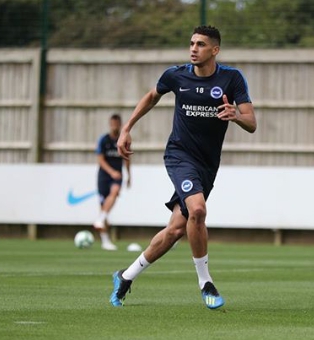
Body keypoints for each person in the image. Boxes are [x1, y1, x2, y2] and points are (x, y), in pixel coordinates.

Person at [110, 25, 256, 309]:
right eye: (191, 43)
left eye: (200, 44)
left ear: (215, 50)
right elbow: (152, 96)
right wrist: (127, 128)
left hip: (207, 165)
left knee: (176, 230)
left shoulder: (232, 79)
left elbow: (252, 123)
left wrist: (236, 115)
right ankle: (206, 283)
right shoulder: (175, 75)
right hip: (179, 156)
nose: (193, 48)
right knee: (198, 209)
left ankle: (125, 276)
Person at [94, 113, 131, 251]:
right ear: (110, 124)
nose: (115, 126)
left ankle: (101, 218)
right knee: (104, 207)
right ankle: (105, 240)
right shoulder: (104, 140)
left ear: (120, 124)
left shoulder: (123, 139)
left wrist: (128, 175)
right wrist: (111, 172)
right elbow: (100, 160)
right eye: (113, 123)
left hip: (117, 176)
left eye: (117, 123)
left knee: (115, 192)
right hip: (104, 176)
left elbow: (127, 158)